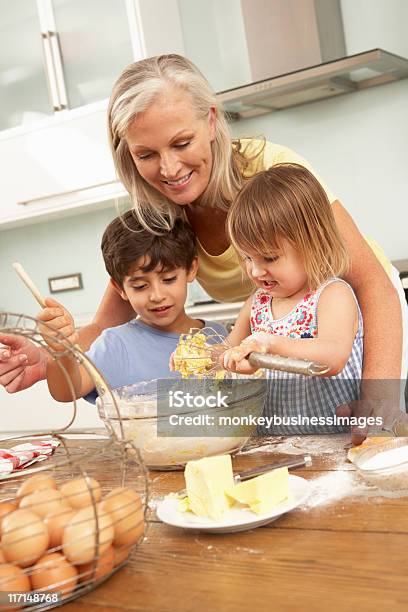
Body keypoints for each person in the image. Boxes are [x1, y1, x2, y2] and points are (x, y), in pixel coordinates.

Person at [0, 55, 406, 440]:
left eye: (181, 143)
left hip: (362, 320)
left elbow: (372, 286)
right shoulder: (160, 212)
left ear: (211, 121)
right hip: (281, 329)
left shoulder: (271, 175)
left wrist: (380, 399)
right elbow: (104, 327)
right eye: (146, 154)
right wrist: (51, 358)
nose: (169, 169)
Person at [221, 163, 363, 434]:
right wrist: (202, 358)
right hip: (276, 442)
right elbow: (229, 349)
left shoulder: (332, 295)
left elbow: (332, 358)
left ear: (314, 242)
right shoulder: (257, 303)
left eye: (269, 257)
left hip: (333, 440)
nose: (255, 270)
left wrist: (271, 344)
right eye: (247, 257)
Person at [39, 211, 225, 402]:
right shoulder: (117, 344)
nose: (157, 296)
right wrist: (60, 351)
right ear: (120, 288)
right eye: (140, 286)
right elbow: (68, 390)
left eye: (169, 279)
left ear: (191, 269)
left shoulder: (217, 334)